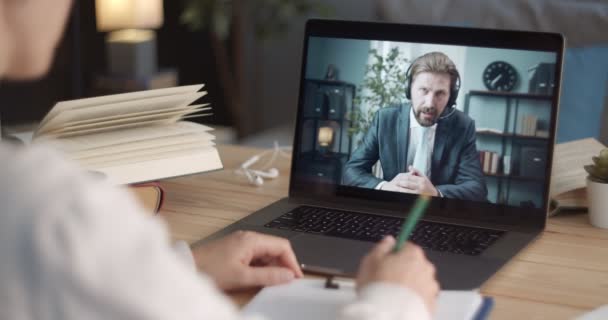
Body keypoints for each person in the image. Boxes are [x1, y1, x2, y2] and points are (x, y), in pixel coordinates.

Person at [0, 1, 439, 319]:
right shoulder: (47, 212)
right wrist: (394, 301)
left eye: (439, 92)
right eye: (423, 89)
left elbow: (473, 187)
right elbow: (355, 170)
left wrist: (178, 269)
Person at [343, 52, 488, 202]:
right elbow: (351, 171)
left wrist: (436, 193)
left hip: (437, 213)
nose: (430, 103)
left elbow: (476, 188)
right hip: (393, 208)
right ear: (409, 89)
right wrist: (384, 187)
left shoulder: (463, 126)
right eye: (423, 90)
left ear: (451, 97)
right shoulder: (385, 120)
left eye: (440, 94)